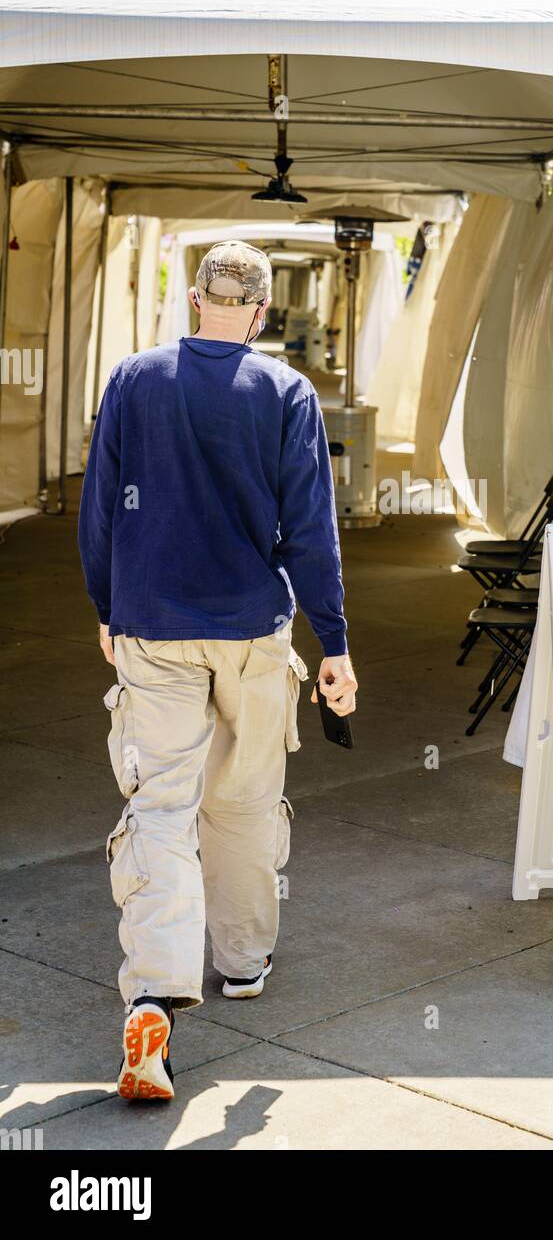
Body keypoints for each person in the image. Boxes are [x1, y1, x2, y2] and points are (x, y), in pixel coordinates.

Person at [78, 240, 356, 1102]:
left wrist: (107, 609)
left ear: (193, 298)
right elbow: (310, 530)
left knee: (161, 805)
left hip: (154, 626)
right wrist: (336, 644)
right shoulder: (285, 392)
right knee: (240, 801)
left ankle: (155, 998)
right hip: (254, 631)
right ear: (262, 315)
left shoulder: (133, 380)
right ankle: (241, 964)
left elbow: (100, 510)